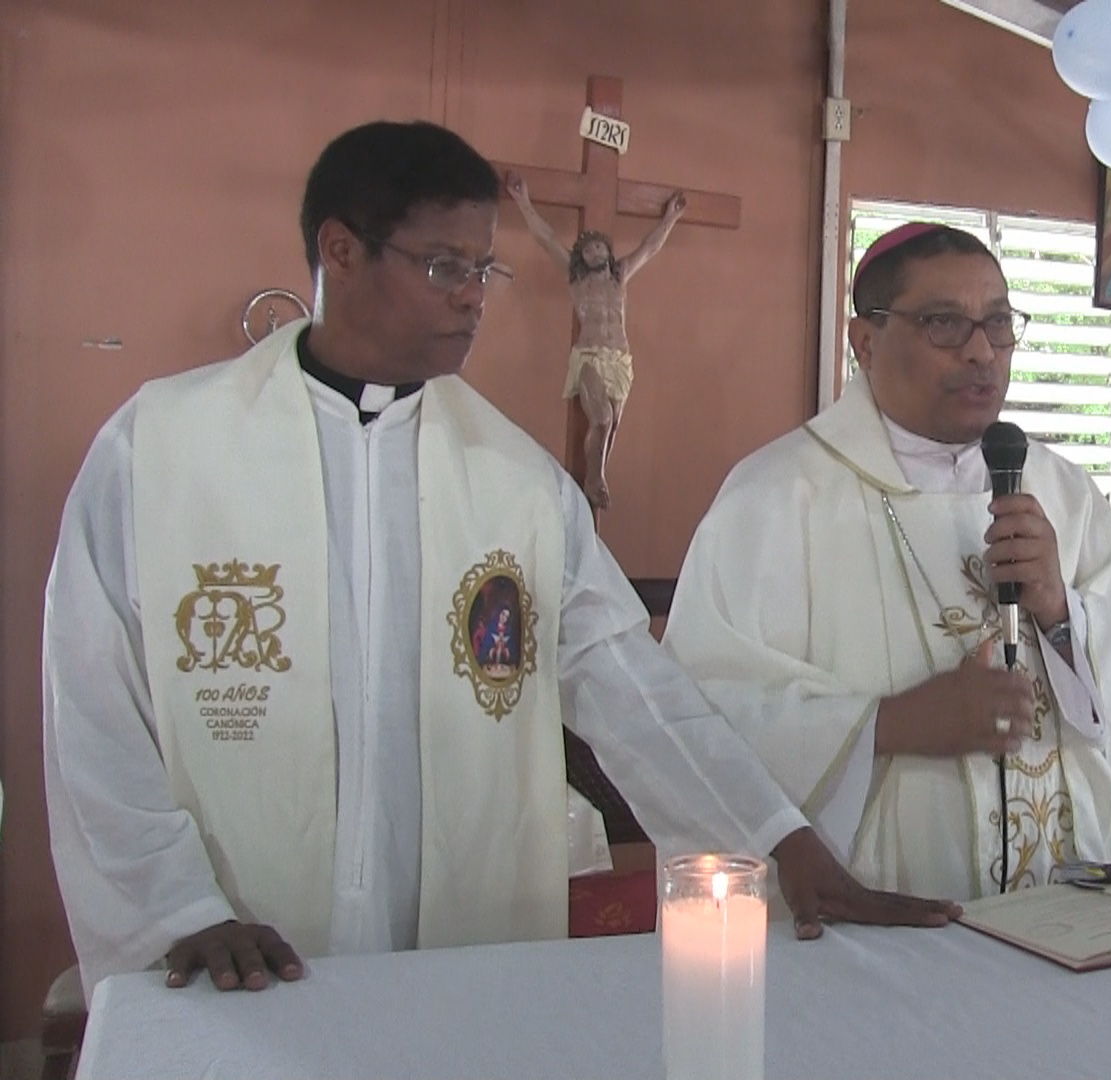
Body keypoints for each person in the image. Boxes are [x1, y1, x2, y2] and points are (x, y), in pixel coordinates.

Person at [42, 120, 953, 1001]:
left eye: (486, 268)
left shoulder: (515, 482)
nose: (474, 295)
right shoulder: (161, 449)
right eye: (445, 266)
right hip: (241, 955)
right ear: (341, 251)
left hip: (463, 959)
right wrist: (179, 908)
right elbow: (91, 702)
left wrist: (779, 842)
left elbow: (634, 687)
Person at [663, 223, 1111, 898]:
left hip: (1065, 907)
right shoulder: (776, 498)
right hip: (886, 915)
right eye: (944, 323)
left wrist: (1061, 612)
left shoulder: (1059, 487)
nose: (980, 352)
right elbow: (700, 708)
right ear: (865, 341)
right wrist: (891, 724)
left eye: (998, 324)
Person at [504, 171, 687, 508]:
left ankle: (595, 481)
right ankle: (594, 478)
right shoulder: (576, 280)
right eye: (586, 249)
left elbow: (650, 247)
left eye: (598, 246)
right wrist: (523, 201)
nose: (593, 252)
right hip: (588, 355)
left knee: (611, 426)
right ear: (580, 256)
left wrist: (671, 216)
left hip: (620, 358)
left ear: (607, 250)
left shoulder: (621, 277)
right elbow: (545, 238)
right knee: (601, 417)